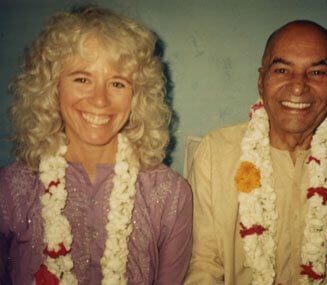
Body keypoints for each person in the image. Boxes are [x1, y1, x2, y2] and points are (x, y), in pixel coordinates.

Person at [185, 20, 327, 284]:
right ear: (261, 80)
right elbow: (203, 266)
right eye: (283, 70)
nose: (298, 86)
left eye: (317, 72)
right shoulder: (216, 152)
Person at [0, 6, 192, 285]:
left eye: (117, 83)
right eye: (82, 79)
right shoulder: (9, 191)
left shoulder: (170, 195)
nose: (100, 100)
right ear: (52, 86)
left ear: (137, 95)